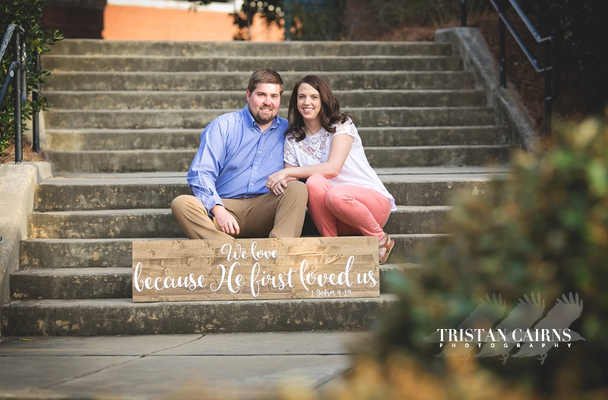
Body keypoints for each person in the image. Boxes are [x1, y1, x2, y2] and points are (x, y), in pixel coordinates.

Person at [265, 75, 397, 264]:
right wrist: (283, 182)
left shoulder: (341, 125)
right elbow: (293, 179)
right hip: (337, 218)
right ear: (295, 101)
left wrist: (285, 173)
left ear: (323, 100)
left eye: (314, 97)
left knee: (336, 195)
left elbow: (333, 168)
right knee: (314, 183)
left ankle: (381, 239)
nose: (307, 102)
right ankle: (331, 245)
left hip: (370, 208)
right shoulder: (293, 138)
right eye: (301, 97)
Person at [171, 68, 308, 240]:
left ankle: (278, 251)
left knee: (297, 189)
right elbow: (200, 173)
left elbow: (305, 170)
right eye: (261, 95)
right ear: (248, 95)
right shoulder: (224, 126)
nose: (268, 102)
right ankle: (226, 248)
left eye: (274, 96)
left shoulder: (290, 132)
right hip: (224, 209)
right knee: (181, 204)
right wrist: (218, 210)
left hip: (265, 209)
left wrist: (290, 178)